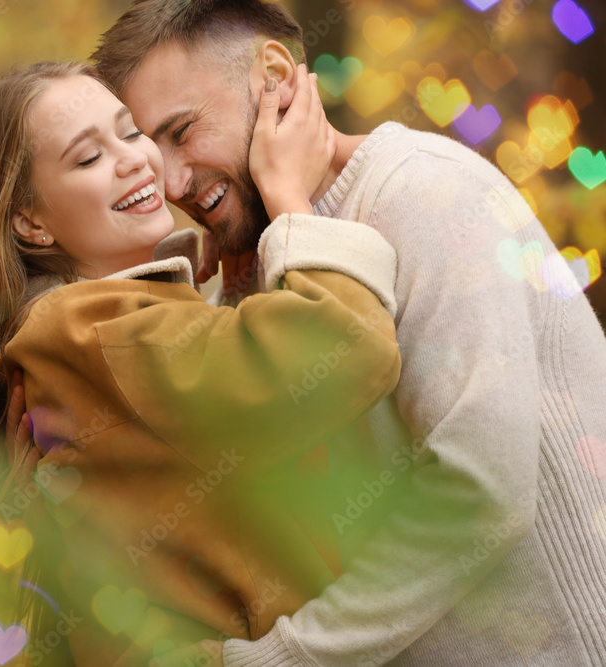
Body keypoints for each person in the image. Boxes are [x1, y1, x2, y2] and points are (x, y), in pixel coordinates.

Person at [86, 0, 606, 665]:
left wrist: (279, 657)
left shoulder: (427, 194)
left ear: (274, 76)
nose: (175, 180)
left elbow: (483, 492)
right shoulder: (254, 263)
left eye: (182, 131)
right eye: (149, 151)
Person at [0, 61, 404, 664]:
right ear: (30, 222)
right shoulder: (90, 330)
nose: (133, 159)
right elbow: (346, 352)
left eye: (128, 132)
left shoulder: (96, 327)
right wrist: (290, 202)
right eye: (87, 158)